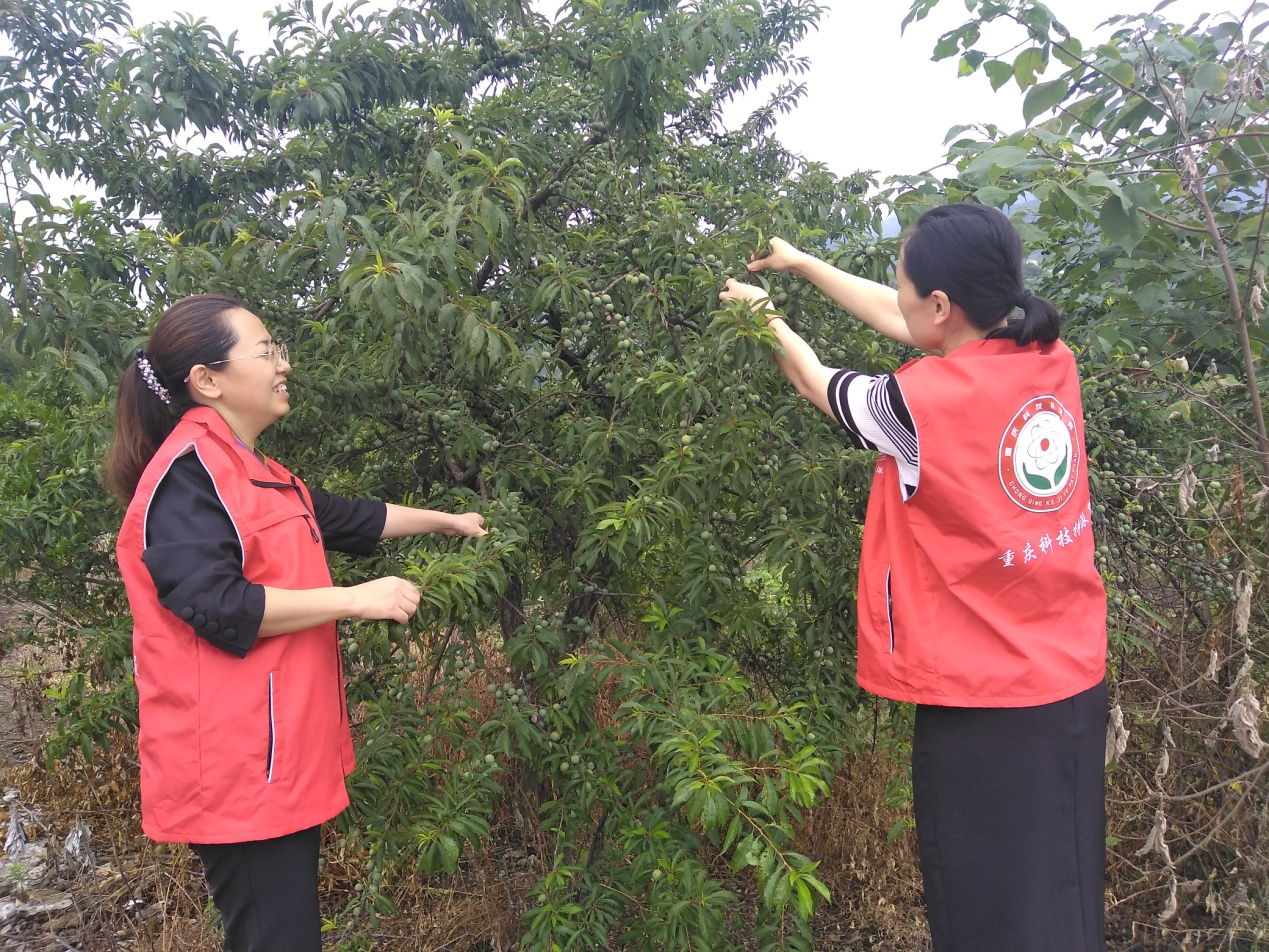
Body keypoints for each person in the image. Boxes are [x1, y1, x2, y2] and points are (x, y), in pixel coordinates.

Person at [720, 204, 1108, 952]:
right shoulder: (1046, 355)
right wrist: (802, 262)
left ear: (940, 304)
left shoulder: (914, 404)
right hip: (1070, 679)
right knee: (1061, 887)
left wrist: (763, 316)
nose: (894, 295)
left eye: (903, 283)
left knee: (989, 909)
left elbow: (813, 379)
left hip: (985, 702)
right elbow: (908, 319)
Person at [106, 293, 486, 952]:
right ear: (207, 379)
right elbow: (217, 604)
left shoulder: (252, 470)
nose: (283, 365)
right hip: (236, 765)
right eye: (266, 351)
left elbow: (344, 516)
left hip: (274, 755)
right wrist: (352, 599)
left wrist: (448, 521)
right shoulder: (186, 477)